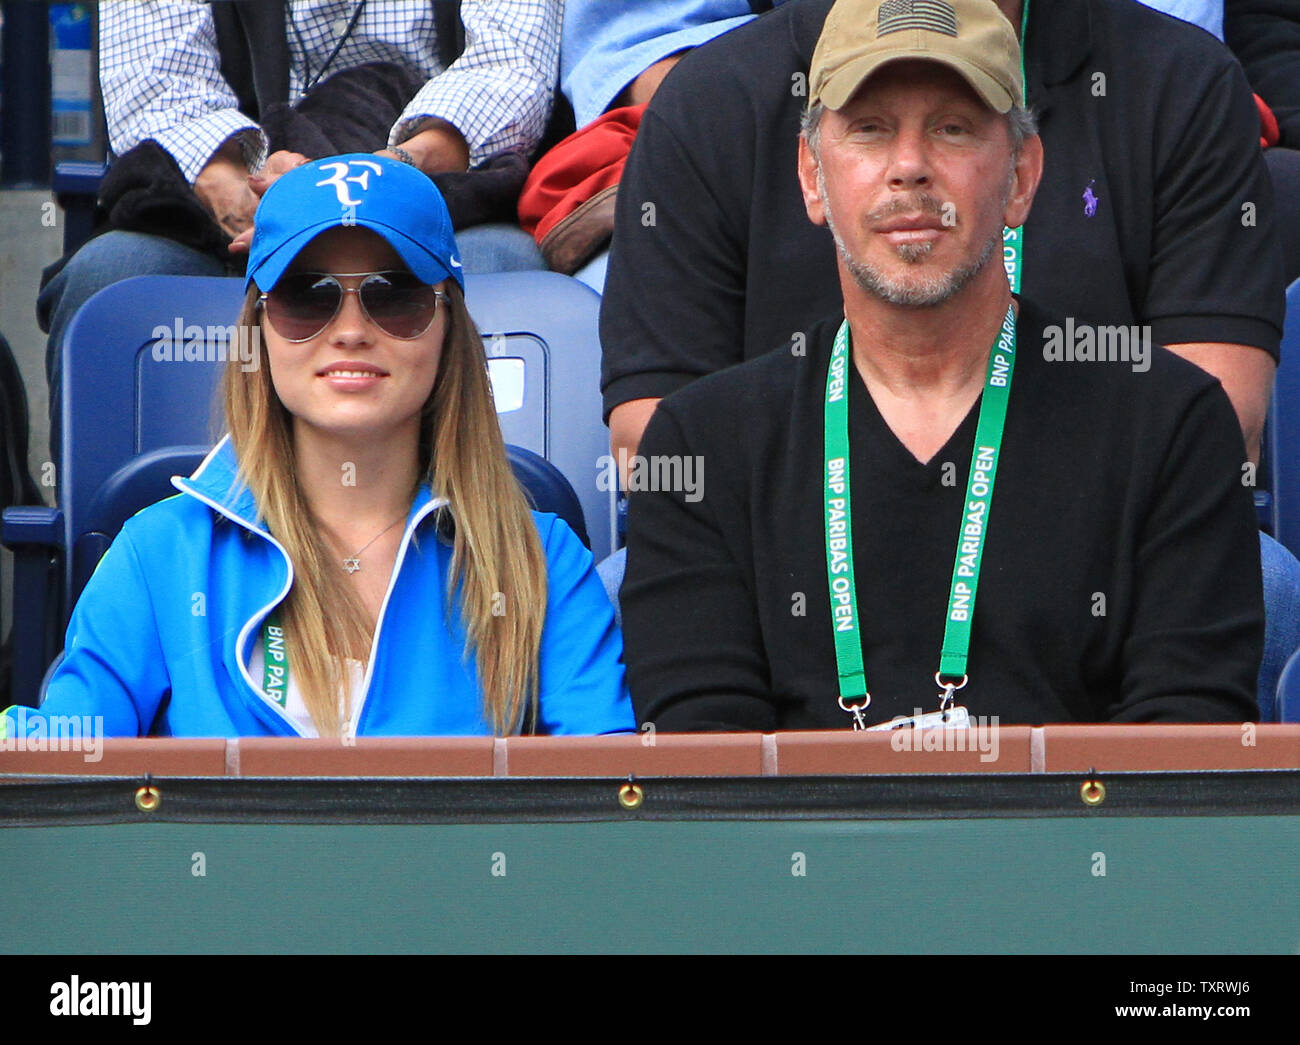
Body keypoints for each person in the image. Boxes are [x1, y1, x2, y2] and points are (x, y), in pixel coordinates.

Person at [621, 0, 1262, 729]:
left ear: (1022, 176)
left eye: (953, 128)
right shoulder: (706, 446)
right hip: (799, 849)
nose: (909, 168)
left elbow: (1176, 769)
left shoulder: (1169, 426)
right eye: (869, 129)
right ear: (811, 176)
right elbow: (710, 783)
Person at [3, 154, 632, 739]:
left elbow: (604, 807)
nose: (352, 330)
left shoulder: (544, 561)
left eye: (395, 295)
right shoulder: (158, 551)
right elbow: (62, 762)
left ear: (449, 331)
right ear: (260, 331)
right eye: (308, 297)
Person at [38, 0, 562, 451]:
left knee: (502, 272)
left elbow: (507, 71)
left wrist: (367, 188)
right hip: (235, 186)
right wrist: (272, 203)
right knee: (115, 278)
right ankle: (138, 542)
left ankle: (482, 536)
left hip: (434, 186)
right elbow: (157, 89)